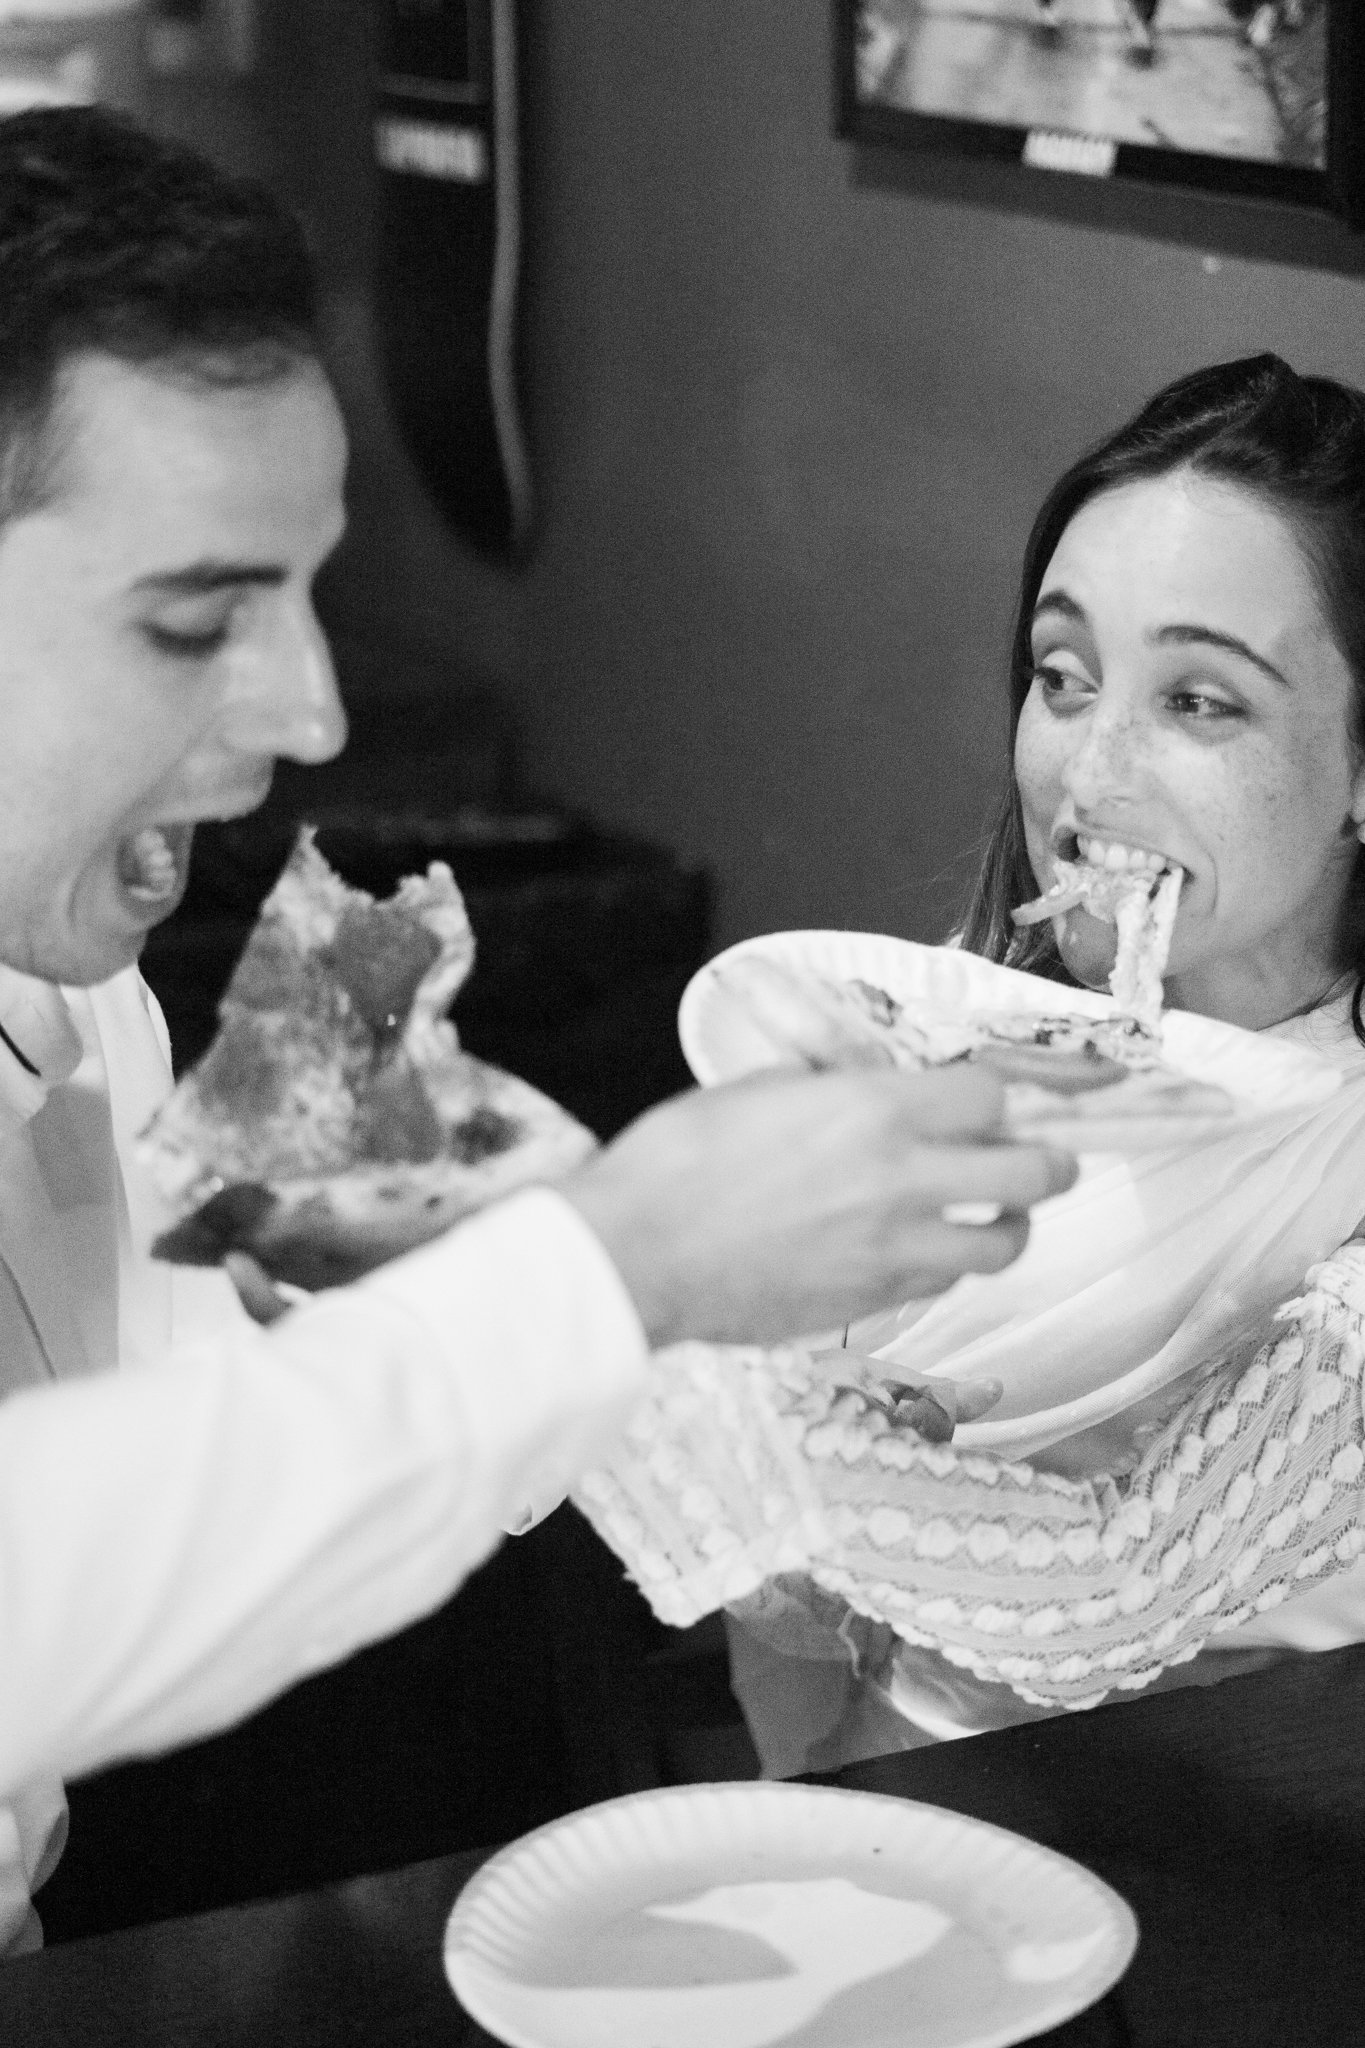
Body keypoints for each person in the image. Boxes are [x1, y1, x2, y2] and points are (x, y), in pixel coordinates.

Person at [0, 106, 1078, 1955]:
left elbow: (176, 1420)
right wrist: (613, 1266)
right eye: (192, 621)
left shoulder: (74, 977)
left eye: (308, 592)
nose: (316, 713)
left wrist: (532, 1263)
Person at [581, 354, 1365, 1774]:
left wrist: (650, 1390)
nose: (1090, 774)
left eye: (1200, 701)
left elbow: (1112, 1589)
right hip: (872, 1780)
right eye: (1063, 677)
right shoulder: (984, 1023)